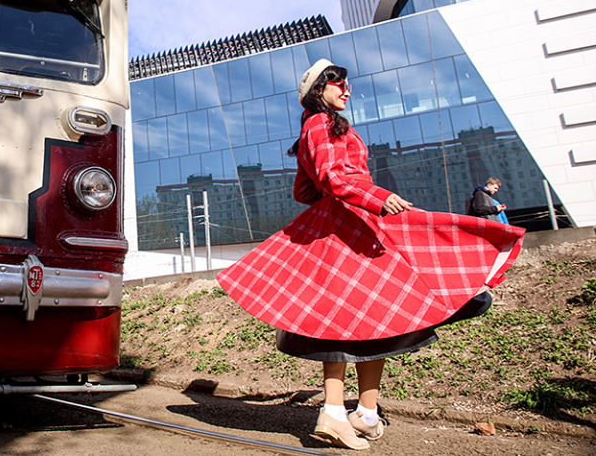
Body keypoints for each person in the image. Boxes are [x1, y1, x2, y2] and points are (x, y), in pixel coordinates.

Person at [217, 59, 525, 451]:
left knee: (376, 317)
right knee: (348, 318)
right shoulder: (320, 122)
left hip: (353, 221)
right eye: (338, 84)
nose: (346, 90)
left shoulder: (322, 126)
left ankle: (365, 412)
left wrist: (351, 196)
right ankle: (334, 411)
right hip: (351, 222)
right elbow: (331, 177)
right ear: (318, 90)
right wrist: (374, 196)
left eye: (347, 84)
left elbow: (305, 190)